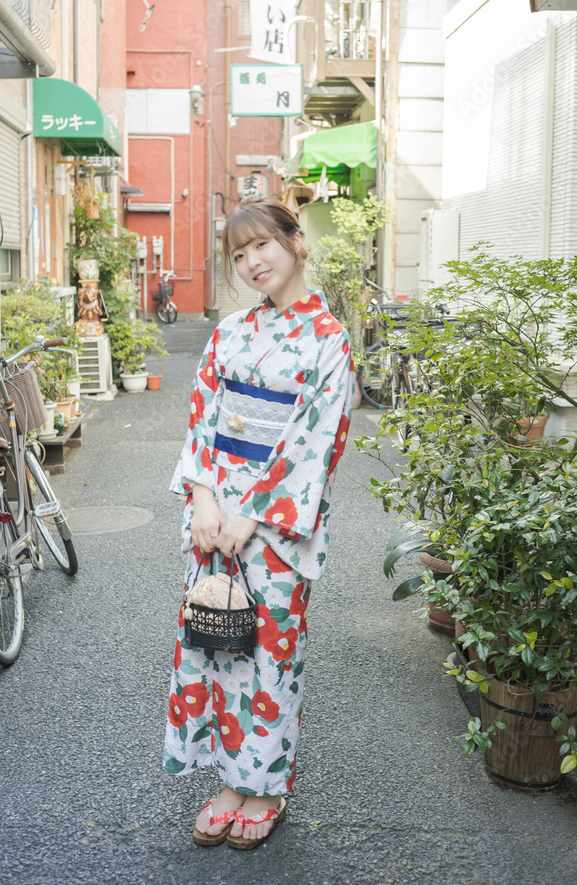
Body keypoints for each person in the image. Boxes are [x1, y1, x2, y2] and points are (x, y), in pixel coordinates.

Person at [163, 198, 355, 850]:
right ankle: (229, 782)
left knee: (271, 655)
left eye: (262, 246)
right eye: (239, 255)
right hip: (215, 516)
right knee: (217, 645)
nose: (251, 263)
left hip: (274, 525)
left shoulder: (327, 338)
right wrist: (203, 499)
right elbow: (203, 414)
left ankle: (266, 787)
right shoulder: (230, 332)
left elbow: (318, 439)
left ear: (295, 240)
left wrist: (250, 513)